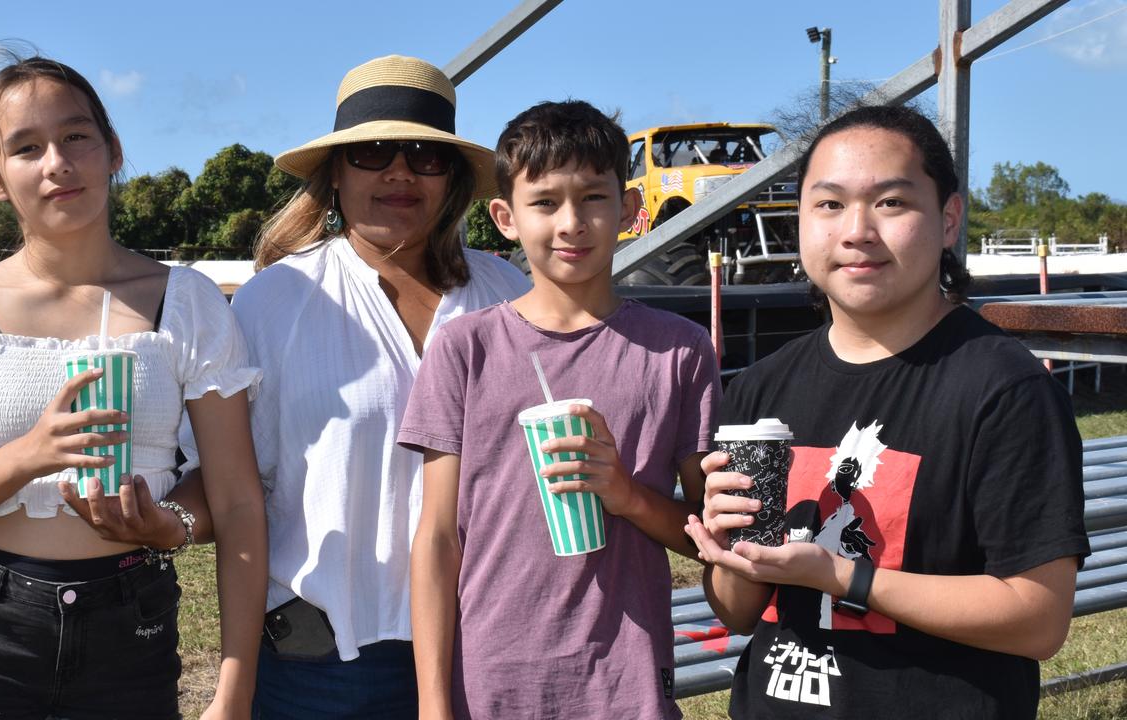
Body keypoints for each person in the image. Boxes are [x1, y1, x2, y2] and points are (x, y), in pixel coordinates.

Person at [0, 53, 267, 719]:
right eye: (26, 147)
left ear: (111, 150)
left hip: (132, 625)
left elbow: (236, 502)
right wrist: (29, 455)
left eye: (77, 136)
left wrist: (173, 528)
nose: (57, 161)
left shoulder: (186, 303)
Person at [684, 105, 1089, 719]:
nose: (856, 231)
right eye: (829, 204)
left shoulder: (1004, 389)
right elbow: (739, 610)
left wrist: (842, 577)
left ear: (948, 219)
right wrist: (730, 551)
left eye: (891, 203)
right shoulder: (760, 389)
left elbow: (1038, 620)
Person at [178, 55, 530, 719]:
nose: (399, 171)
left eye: (425, 154)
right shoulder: (271, 303)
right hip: (321, 666)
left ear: (451, 177)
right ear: (334, 173)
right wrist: (158, 521)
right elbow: (222, 483)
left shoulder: (509, 295)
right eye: (372, 152)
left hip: (488, 643)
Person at [401, 100, 722, 719]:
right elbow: (439, 537)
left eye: (593, 198)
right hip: (490, 680)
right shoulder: (464, 348)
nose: (571, 222)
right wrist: (433, 703)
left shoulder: (679, 350)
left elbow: (707, 536)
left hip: (625, 683)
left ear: (630, 210)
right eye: (545, 202)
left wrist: (625, 494)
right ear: (505, 217)